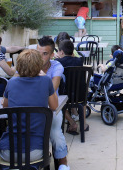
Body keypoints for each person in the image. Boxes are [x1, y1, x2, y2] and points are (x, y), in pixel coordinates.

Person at [0, 49, 58, 163]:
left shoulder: (12, 82)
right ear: (38, 65)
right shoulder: (45, 80)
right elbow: (54, 106)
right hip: (35, 150)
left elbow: (5, 107)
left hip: (8, 151)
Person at [36, 36, 71, 170]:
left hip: (51, 108)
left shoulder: (57, 66)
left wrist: (39, 74)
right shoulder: (30, 64)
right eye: (38, 53)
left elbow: (53, 87)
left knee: (55, 133)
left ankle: (63, 164)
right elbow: (14, 80)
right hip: (32, 107)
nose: (40, 57)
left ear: (52, 55)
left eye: (45, 54)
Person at [55, 40, 86, 136]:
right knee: (82, 100)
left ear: (61, 52)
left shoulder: (57, 63)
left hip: (66, 96)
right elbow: (74, 58)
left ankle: (72, 123)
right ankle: (83, 123)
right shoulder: (80, 61)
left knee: (55, 100)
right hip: (80, 96)